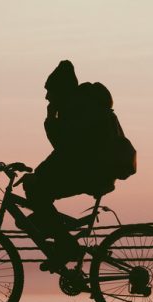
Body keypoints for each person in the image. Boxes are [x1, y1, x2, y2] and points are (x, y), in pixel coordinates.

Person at [21, 60, 131, 267]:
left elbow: (66, 148)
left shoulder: (77, 108)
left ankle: (65, 247)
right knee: (38, 192)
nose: (46, 97)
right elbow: (66, 151)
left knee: (38, 190)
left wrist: (50, 120)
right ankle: (57, 235)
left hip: (93, 172)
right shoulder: (78, 106)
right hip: (93, 169)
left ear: (61, 90)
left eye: (50, 91)